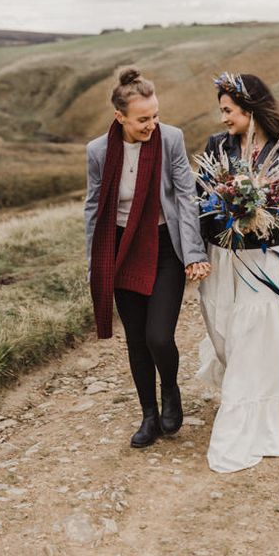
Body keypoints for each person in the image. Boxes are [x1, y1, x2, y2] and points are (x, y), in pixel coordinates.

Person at [85, 66, 211, 448]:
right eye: (143, 119)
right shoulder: (98, 152)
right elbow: (95, 208)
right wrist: (96, 263)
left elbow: (186, 198)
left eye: (155, 115)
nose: (152, 124)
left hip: (163, 249)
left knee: (158, 336)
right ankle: (148, 416)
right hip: (122, 250)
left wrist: (193, 252)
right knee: (137, 341)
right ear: (119, 117)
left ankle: (170, 390)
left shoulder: (171, 139)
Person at [196, 72, 279, 473]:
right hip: (221, 258)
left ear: (250, 108)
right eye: (221, 110)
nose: (223, 117)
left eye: (228, 110)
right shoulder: (216, 147)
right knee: (223, 330)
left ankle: (243, 420)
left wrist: (256, 220)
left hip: (262, 261)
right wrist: (224, 222)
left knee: (254, 337)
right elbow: (200, 202)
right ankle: (240, 391)